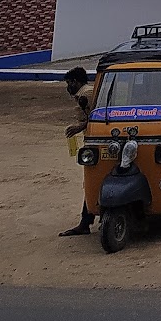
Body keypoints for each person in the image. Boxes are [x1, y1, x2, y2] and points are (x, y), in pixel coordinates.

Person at [60, 66, 95, 236]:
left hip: (97, 142)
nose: (68, 87)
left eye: (69, 83)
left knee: (92, 180)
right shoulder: (84, 93)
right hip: (94, 140)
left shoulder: (85, 95)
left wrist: (79, 127)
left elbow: (98, 117)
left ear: (76, 81)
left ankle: (85, 222)